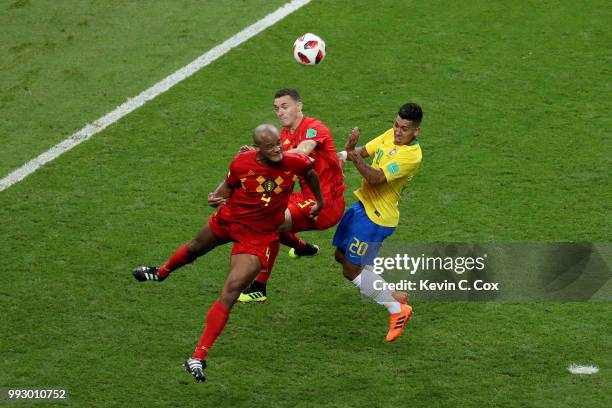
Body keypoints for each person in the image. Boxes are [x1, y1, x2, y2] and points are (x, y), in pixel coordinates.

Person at [132, 124, 323, 382]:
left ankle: (197, 356)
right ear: (257, 148)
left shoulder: (294, 162)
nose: (277, 148)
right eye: (270, 146)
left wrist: (319, 201)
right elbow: (228, 185)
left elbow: (310, 172)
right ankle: (162, 272)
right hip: (229, 219)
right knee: (193, 249)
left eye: (278, 142)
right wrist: (216, 197)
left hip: (257, 237)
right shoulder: (242, 162)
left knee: (231, 291)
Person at [238, 89, 346, 303]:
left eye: (285, 106)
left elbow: (303, 151)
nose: (280, 112)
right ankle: (304, 249)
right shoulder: (284, 136)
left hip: (325, 204)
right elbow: (281, 166)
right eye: (276, 108)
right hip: (304, 196)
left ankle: (259, 286)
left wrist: (262, 155)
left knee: (271, 222)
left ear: (299, 106)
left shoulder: (315, 128)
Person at [333, 103, 423, 342]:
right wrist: (342, 155)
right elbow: (362, 152)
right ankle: (392, 294)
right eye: (396, 125)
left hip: (376, 219)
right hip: (361, 208)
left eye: (404, 128)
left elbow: (375, 178)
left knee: (351, 269)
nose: (397, 131)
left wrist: (352, 154)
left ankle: (397, 310)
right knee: (342, 257)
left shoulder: (411, 156)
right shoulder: (389, 135)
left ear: (416, 132)